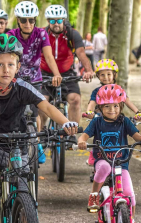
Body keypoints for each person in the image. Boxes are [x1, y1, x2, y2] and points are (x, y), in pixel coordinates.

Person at [0, 34, 78, 223]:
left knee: (24, 180)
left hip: (17, 143)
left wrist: (65, 122)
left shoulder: (23, 86)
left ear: (18, 67)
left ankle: (25, 208)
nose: (6, 70)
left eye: (11, 64)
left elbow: (47, 107)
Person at [77, 84, 141, 222]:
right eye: (107, 106)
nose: (112, 110)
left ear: (121, 107)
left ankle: (131, 219)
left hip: (121, 163)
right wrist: (81, 141)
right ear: (100, 107)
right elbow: (84, 136)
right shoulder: (96, 122)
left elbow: (136, 136)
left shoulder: (124, 121)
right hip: (102, 159)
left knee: (130, 194)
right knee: (105, 167)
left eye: (116, 106)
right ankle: (94, 194)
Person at [7, 2, 66, 163]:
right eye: (24, 20)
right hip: (15, 79)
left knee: (34, 112)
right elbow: (6, 56)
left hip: (34, 78)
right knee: (15, 112)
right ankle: (15, 145)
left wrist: (56, 74)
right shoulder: (11, 34)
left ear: (35, 21)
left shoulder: (41, 34)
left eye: (31, 20)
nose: (28, 24)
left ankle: (38, 143)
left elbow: (48, 56)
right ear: (18, 21)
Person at [39, 4, 93, 162]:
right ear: (48, 21)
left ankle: (71, 134)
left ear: (64, 20)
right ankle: (42, 132)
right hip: (45, 73)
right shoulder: (42, 33)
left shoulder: (72, 34)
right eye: (53, 20)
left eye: (59, 20)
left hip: (67, 73)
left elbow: (81, 53)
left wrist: (88, 70)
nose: (56, 23)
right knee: (42, 103)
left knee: (75, 99)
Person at [84, 59, 141, 168]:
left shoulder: (118, 90)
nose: (106, 77)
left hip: (116, 117)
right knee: (99, 134)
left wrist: (137, 112)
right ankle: (95, 154)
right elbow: (92, 102)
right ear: (98, 76)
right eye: (102, 75)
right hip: (101, 116)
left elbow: (127, 101)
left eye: (109, 74)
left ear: (114, 75)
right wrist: (89, 111)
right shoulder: (97, 91)